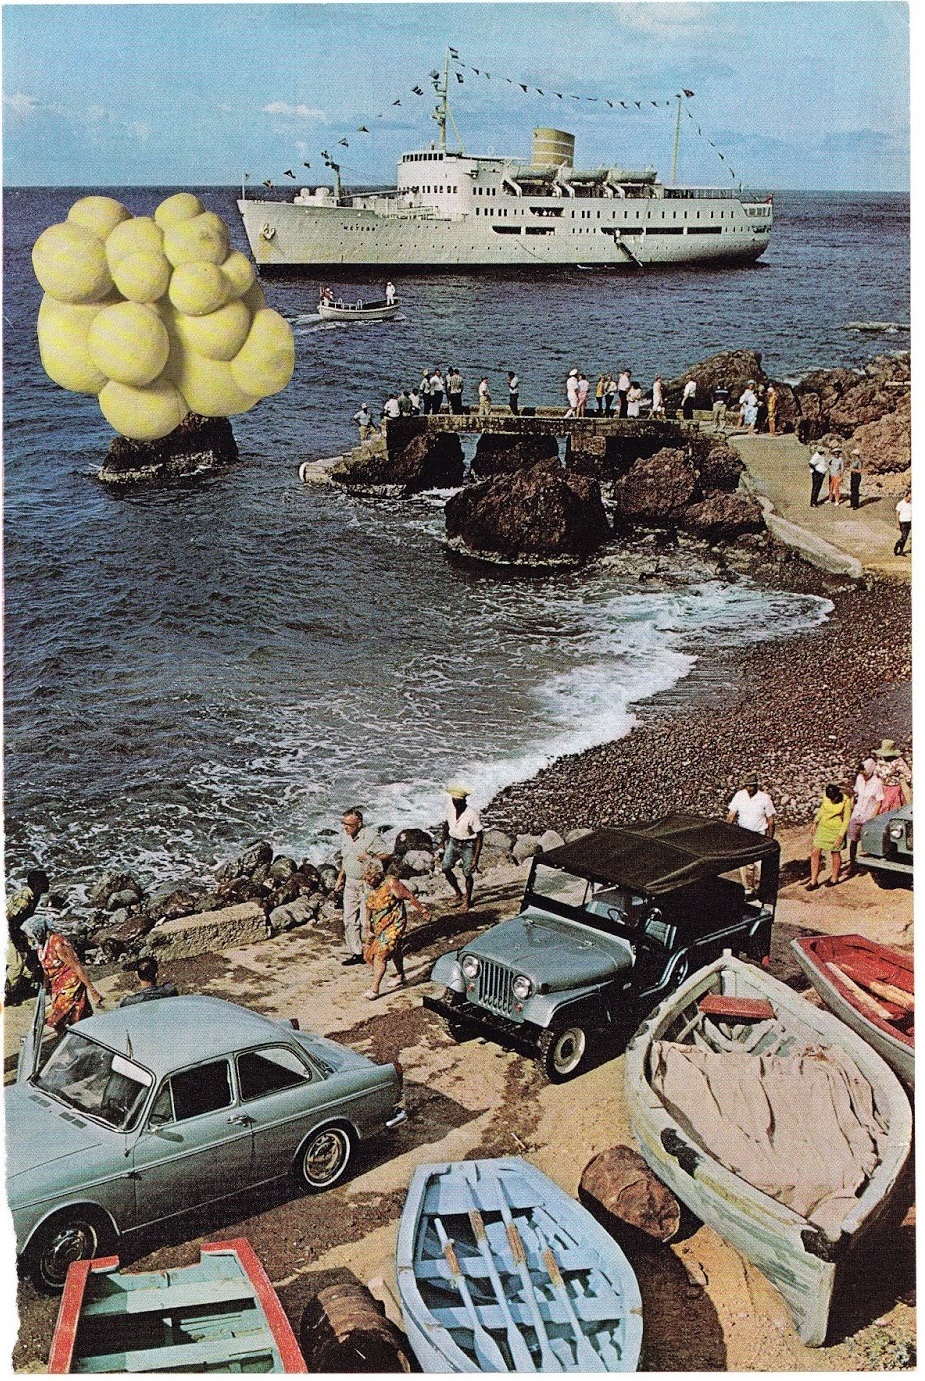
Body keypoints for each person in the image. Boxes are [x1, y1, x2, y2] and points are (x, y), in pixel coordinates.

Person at [361, 859, 429, 1000]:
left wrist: (422, 910)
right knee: (390, 950)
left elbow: (409, 896)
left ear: (379, 875)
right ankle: (400, 975)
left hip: (395, 923)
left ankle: (375, 989)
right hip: (379, 923)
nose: (368, 881)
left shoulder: (391, 883)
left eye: (371, 878)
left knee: (381, 954)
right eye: (366, 878)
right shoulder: (368, 886)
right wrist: (368, 921)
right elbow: (368, 904)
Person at [24, 914, 103, 1035]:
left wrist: (93, 991)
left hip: (71, 985)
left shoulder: (58, 944)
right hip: (57, 985)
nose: (30, 940)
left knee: (56, 1019)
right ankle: (74, 1039)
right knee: (76, 1018)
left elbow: (76, 966)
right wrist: (45, 987)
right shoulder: (41, 945)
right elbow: (46, 968)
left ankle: (72, 1040)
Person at [335, 808, 390, 965]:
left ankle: (374, 951)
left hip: (367, 884)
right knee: (349, 919)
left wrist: (370, 858)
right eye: (343, 823)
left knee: (367, 920)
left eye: (349, 824)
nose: (345, 827)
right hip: (351, 883)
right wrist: (340, 878)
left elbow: (387, 855)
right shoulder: (345, 837)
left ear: (359, 824)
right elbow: (346, 860)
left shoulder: (371, 836)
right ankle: (357, 953)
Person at [726, 774, 776, 895]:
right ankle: (747, 888)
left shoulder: (764, 798)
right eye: (747, 786)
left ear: (756, 786)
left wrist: (770, 838)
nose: (749, 789)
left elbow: (771, 819)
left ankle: (759, 888)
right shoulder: (739, 796)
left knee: (758, 864)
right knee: (744, 863)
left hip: (759, 834)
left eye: (752, 786)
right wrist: (727, 831)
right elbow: (731, 815)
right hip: (743, 834)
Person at [6, 867, 49, 1004]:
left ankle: (20, 990)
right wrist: (19, 942)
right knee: (16, 964)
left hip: (13, 929)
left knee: (28, 963)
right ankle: (8, 994)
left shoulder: (34, 896)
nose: (48, 884)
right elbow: (9, 921)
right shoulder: (25, 897)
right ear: (36, 885)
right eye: (45, 882)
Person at [438, 783, 484, 912]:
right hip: (453, 842)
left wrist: (476, 858)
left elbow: (480, 836)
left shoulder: (472, 815)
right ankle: (458, 893)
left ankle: (468, 900)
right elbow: (446, 825)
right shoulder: (450, 809)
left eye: (458, 801)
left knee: (467, 873)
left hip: (468, 845)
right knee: (445, 867)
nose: (456, 804)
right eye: (454, 801)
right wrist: (442, 841)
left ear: (464, 801)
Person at [807, 783, 852, 890]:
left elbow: (846, 819)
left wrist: (841, 835)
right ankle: (813, 880)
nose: (832, 800)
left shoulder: (846, 800)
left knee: (835, 853)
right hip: (824, 827)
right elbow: (823, 808)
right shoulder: (826, 797)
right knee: (815, 852)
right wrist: (815, 821)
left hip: (836, 829)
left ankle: (834, 878)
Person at [844, 758, 884, 877]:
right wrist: (851, 805)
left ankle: (869, 866)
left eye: (865, 772)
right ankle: (852, 865)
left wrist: (873, 818)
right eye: (861, 772)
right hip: (857, 813)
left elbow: (879, 801)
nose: (863, 774)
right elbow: (856, 793)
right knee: (853, 840)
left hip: (868, 815)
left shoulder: (877, 783)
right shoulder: (859, 779)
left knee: (868, 842)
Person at [873, 739, 912, 811]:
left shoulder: (898, 761)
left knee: (891, 809)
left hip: (894, 789)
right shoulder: (880, 761)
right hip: (882, 789)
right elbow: (875, 774)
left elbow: (908, 775)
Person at [894, 490, 911, 555]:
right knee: (904, 537)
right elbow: (897, 513)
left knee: (905, 537)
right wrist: (897, 523)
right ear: (906, 496)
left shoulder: (911, 504)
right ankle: (896, 546)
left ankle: (901, 550)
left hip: (909, 522)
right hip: (903, 522)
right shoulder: (900, 504)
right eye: (909, 498)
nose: (910, 499)